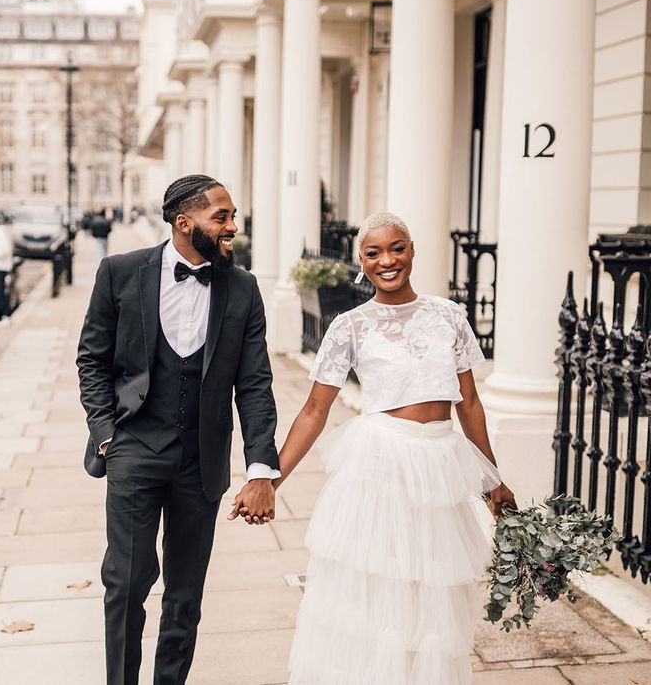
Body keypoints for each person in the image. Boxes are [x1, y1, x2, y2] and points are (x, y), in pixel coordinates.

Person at [251, 212, 517, 684]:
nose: (387, 260)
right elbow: (314, 411)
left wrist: (493, 481)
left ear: (412, 250)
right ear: (361, 262)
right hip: (381, 467)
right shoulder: (349, 326)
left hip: (439, 466)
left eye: (397, 248)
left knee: (431, 598)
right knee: (377, 598)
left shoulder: (449, 316)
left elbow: (469, 403)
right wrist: (270, 478)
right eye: (373, 253)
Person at [76, 174, 280, 685]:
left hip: (200, 460)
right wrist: (107, 435)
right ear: (185, 222)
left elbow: (254, 384)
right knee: (124, 584)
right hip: (133, 449)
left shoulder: (243, 287)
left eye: (233, 216)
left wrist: (261, 467)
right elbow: (92, 360)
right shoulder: (120, 273)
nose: (233, 226)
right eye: (223, 217)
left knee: (186, 596)